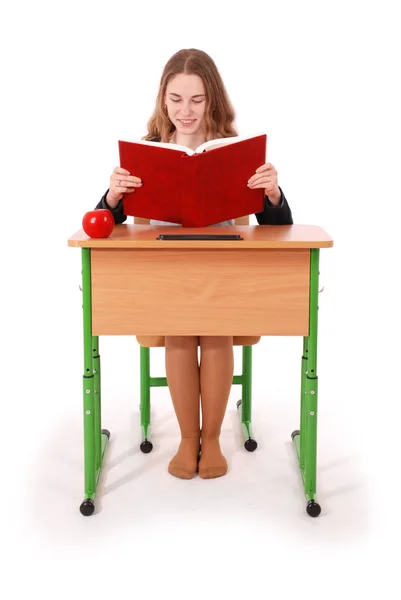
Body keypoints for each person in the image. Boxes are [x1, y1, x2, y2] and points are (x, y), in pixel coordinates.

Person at [94, 48, 293, 480]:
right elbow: (105, 224)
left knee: (216, 327)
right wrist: (112, 197)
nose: (186, 111)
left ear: (212, 101)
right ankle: (187, 438)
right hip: (166, 273)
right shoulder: (146, 151)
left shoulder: (235, 151)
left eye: (197, 100)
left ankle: (212, 439)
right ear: (163, 99)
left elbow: (279, 226)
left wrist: (273, 194)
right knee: (182, 330)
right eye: (177, 98)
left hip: (222, 270)